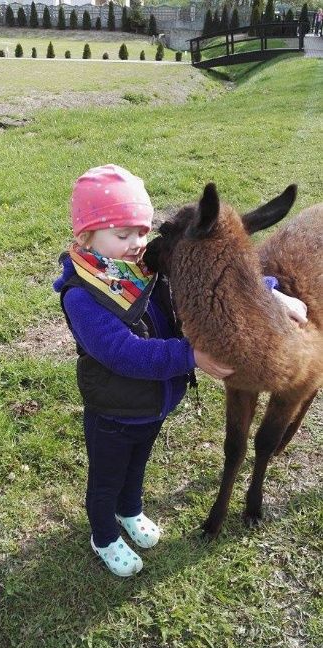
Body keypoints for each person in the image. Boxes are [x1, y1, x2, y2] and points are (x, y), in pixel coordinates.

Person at [53, 164, 307, 577]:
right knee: (106, 479)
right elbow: (122, 353)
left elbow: (216, 274)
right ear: (86, 236)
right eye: (123, 235)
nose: (139, 243)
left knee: (137, 467)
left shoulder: (135, 267)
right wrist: (190, 356)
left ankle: (130, 510)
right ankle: (103, 534)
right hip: (113, 413)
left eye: (142, 230)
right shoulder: (82, 295)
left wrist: (273, 295)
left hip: (151, 405)